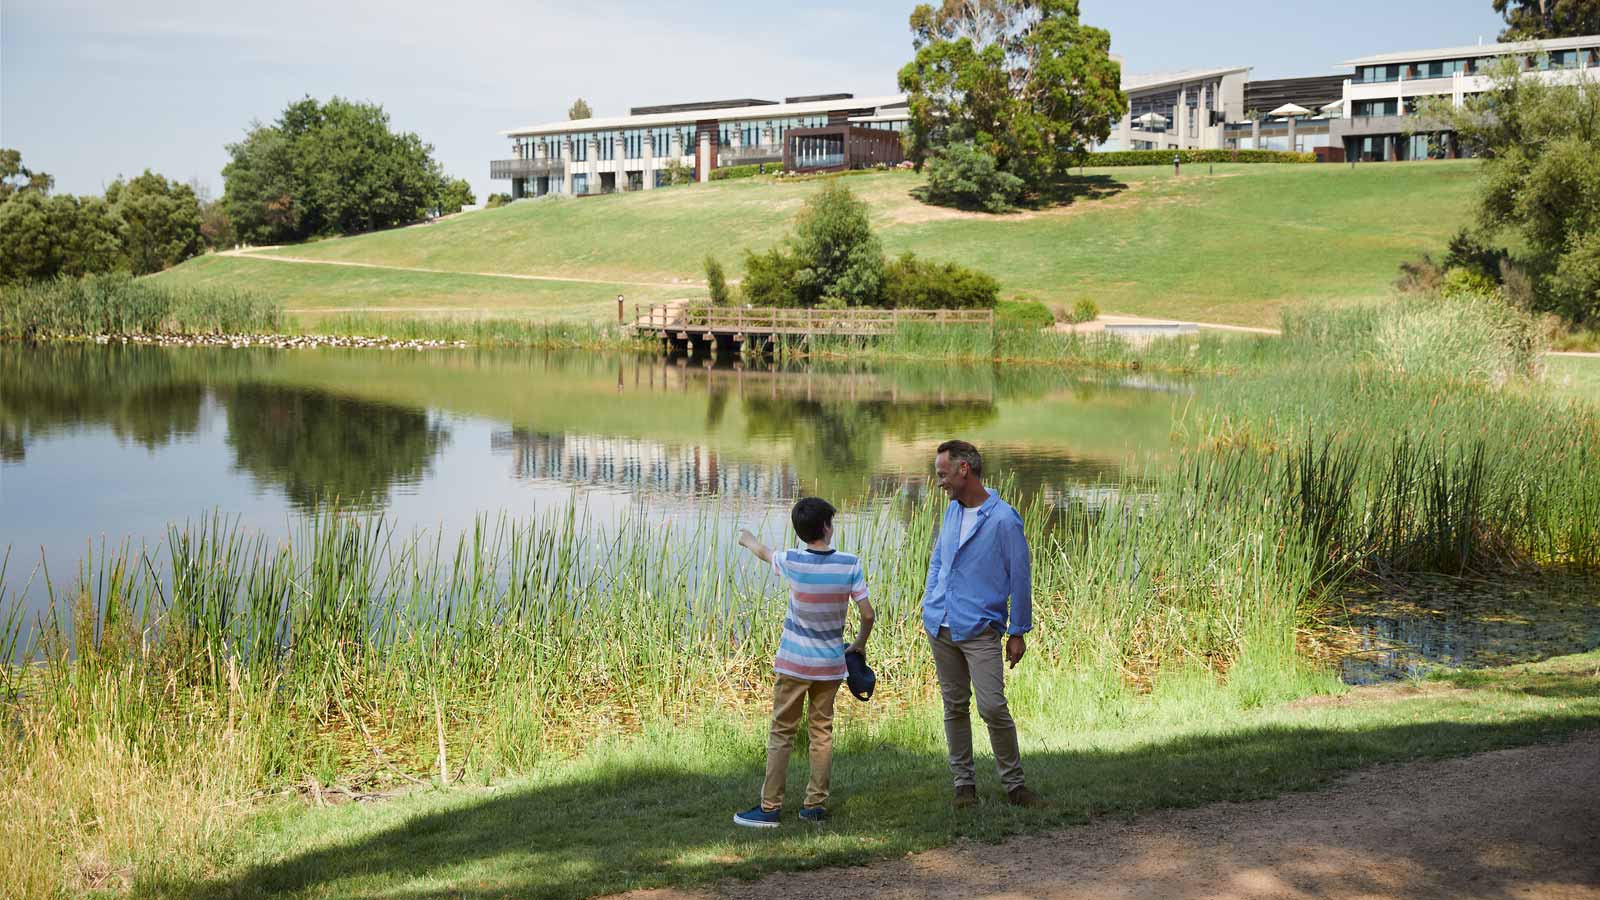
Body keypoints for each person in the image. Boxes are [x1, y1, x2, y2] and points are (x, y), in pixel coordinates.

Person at [733, 497, 875, 827]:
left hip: (794, 664)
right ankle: (814, 806)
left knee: (782, 733)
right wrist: (858, 645)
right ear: (826, 527)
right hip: (830, 666)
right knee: (821, 733)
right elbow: (868, 614)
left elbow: (763, 552)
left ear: (800, 532)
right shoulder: (849, 563)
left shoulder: (793, 560)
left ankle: (770, 808)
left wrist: (747, 539)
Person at [922, 439, 1045, 809]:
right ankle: (964, 786)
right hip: (941, 625)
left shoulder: (1005, 519)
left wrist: (1018, 631)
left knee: (991, 706)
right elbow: (938, 561)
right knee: (954, 706)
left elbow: (1020, 577)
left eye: (943, 474)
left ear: (964, 470)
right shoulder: (952, 511)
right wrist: (929, 600)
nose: (940, 482)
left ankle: (1015, 786)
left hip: (979, 629)